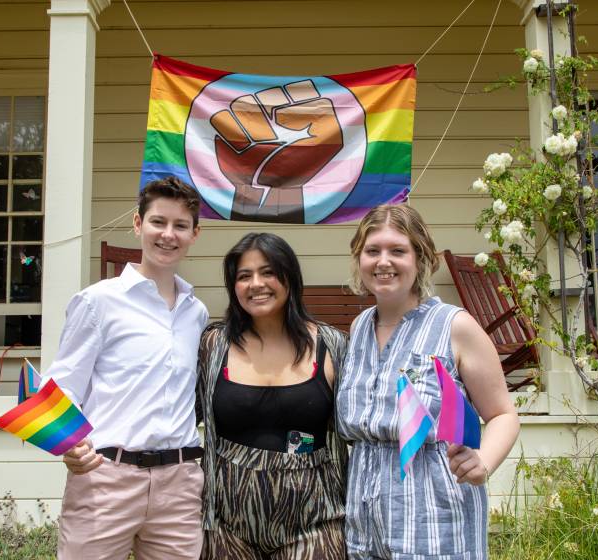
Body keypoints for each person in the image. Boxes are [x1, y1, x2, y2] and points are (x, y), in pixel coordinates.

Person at [337, 204, 520, 559]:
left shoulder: (455, 326)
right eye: (372, 251)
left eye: (398, 251)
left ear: (420, 259)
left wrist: (484, 461)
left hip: (434, 517)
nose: (383, 261)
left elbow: (503, 414)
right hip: (363, 520)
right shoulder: (359, 328)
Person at [44, 176, 208, 560]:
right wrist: (69, 446)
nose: (168, 235)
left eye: (180, 226)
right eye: (158, 222)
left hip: (180, 483)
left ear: (194, 234)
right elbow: (60, 387)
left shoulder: (195, 313)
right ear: (138, 224)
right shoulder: (97, 302)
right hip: (106, 478)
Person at [197, 232, 349, 559]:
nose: (256, 283)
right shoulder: (213, 346)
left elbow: (361, 427)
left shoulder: (332, 345)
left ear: (290, 278)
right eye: (243, 275)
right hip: (226, 525)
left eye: (268, 272)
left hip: (316, 521)